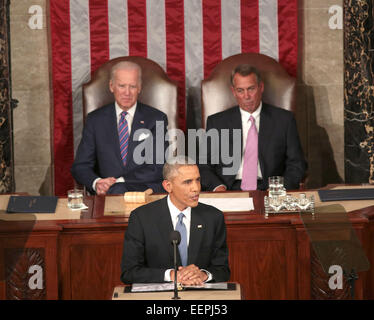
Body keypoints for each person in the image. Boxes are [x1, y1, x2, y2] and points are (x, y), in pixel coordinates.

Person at [120, 157, 230, 285]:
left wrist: (204, 275)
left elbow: (223, 270)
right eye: (187, 182)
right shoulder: (141, 218)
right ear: (168, 186)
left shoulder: (213, 217)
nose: (196, 188)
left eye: (198, 180)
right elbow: (129, 272)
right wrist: (172, 275)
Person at [199, 64, 307, 192]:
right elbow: (204, 164)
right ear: (233, 92)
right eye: (240, 90)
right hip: (228, 188)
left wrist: (279, 188)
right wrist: (218, 187)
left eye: (251, 89)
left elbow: (297, 164)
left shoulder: (284, 120)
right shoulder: (217, 122)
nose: (246, 96)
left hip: (270, 189)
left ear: (261, 87)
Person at [71, 61, 168, 195]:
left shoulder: (156, 118)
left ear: (139, 87)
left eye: (132, 86)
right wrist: (97, 182)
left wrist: (119, 181)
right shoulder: (95, 120)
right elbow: (81, 166)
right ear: (111, 86)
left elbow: (159, 166)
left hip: (143, 193)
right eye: (121, 86)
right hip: (105, 195)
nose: (127, 93)